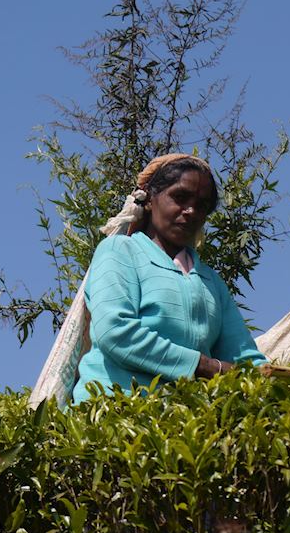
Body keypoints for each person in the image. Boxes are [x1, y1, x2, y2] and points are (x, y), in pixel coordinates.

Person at [72, 154, 267, 403]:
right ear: (151, 199)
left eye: (202, 205)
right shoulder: (119, 252)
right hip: (114, 413)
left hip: (185, 425)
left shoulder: (211, 282)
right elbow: (116, 332)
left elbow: (244, 357)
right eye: (180, 197)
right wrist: (204, 366)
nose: (190, 211)